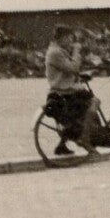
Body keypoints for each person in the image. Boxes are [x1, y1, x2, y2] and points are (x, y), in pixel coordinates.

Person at [43, 23, 94, 155]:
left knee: (82, 105)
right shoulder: (55, 52)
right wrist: (77, 51)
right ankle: (85, 139)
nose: (72, 41)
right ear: (63, 37)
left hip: (64, 88)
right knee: (95, 102)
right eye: (70, 38)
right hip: (64, 91)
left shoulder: (57, 50)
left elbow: (67, 70)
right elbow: (73, 67)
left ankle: (62, 145)